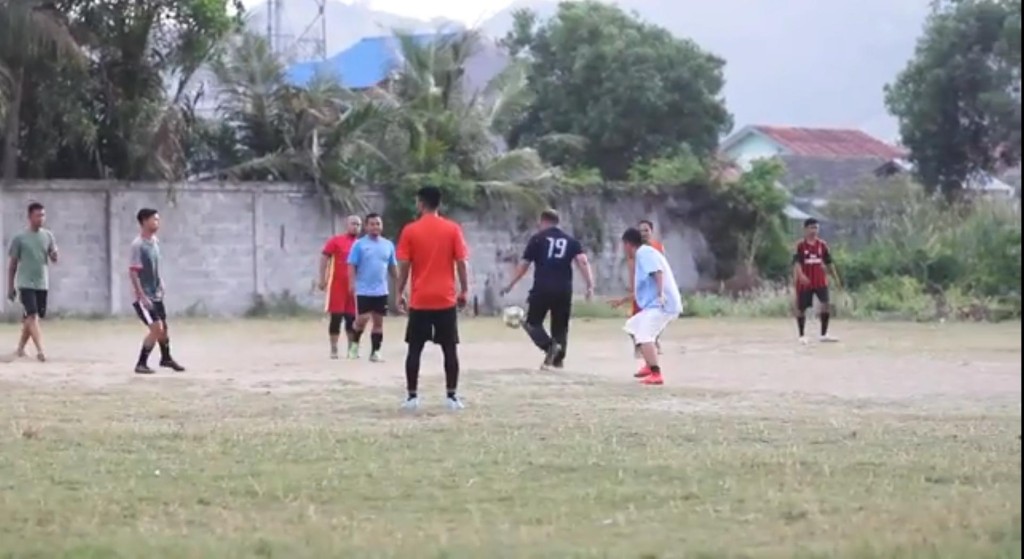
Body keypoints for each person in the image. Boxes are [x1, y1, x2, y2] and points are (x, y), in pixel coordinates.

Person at [395, 186, 470, 411]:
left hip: (420, 299)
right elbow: (461, 262)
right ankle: (451, 396)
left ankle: (412, 397)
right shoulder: (452, 229)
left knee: (414, 349)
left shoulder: (410, 230)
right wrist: (464, 289)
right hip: (445, 299)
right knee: (449, 349)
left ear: (420, 203)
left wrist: (399, 292)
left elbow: (405, 265)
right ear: (439, 203)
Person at [500, 208, 594, 369]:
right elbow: (582, 261)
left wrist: (510, 284)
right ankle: (557, 360)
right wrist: (590, 285)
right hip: (564, 288)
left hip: (542, 287)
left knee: (532, 323)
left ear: (543, 221)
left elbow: (524, 265)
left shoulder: (537, 239)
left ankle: (549, 347)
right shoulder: (570, 241)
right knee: (560, 325)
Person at [620, 227, 682, 386]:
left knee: (644, 336)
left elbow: (658, 272)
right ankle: (649, 364)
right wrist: (623, 300)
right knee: (632, 327)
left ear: (628, 244)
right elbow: (646, 286)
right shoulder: (643, 254)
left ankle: (656, 373)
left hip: (661, 305)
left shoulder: (644, 253)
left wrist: (661, 294)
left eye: (623, 245)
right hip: (653, 305)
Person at [129, 208, 186, 374]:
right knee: (156, 328)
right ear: (144, 221)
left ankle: (166, 358)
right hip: (143, 295)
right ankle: (141, 363)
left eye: (158, 219)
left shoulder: (154, 241)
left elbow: (154, 266)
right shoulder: (138, 245)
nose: (157, 223)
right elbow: (133, 272)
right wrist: (141, 295)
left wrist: (160, 281)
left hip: (156, 293)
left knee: (164, 328)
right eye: (154, 220)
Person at [7, 202, 58, 362]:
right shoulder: (20, 238)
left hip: (42, 282)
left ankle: (20, 348)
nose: (41, 218)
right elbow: (12, 265)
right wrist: (10, 287)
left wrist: (55, 255)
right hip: (25, 282)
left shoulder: (48, 235)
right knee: (32, 315)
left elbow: (53, 256)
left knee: (32, 317)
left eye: (43, 215)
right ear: (30, 217)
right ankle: (41, 351)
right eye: (38, 215)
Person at [346, 213, 397, 363]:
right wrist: (351, 283)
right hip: (363, 289)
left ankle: (376, 352)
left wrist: (400, 284)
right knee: (362, 319)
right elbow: (351, 265)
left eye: (378, 224)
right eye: (372, 224)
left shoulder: (388, 245)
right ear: (367, 227)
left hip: (381, 290)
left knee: (378, 322)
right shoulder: (359, 245)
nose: (375, 227)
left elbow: (393, 267)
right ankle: (354, 345)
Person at [319, 215, 362, 359]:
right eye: (353, 224)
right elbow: (324, 257)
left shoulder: (362, 244)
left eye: (358, 224)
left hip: (355, 287)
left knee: (352, 319)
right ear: (346, 225)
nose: (355, 226)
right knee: (336, 318)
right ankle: (334, 348)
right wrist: (322, 278)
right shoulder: (336, 241)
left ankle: (351, 349)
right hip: (337, 285)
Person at [793, 218, 840, 344]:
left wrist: (836, 278)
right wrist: (801, 275)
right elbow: (797, 263)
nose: (814, 230)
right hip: (805, 282)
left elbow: (829, 263)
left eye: (816, 228)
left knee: (825, 305)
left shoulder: (822, 245)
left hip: (820, 280)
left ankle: (824, 334)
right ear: (805, 229)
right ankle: (802, 335)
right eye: (812, 227)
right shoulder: (800, 245)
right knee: (801, 308)